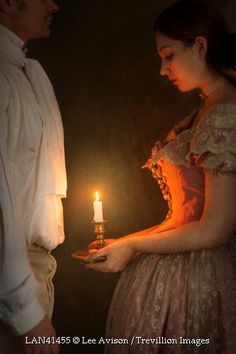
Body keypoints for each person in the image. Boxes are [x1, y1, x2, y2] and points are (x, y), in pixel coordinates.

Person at [86, 0, 236, 353]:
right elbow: (183, 217)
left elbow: (216, 227)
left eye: (168, 55)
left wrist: (134, 244)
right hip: (178, 272)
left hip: (201, 277)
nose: (162, 69)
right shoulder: (207, 111)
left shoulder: (226, 114)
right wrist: (123, 242)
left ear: (200, 46)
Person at [0, 1, 67, 354]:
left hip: (35, 271)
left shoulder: (30, 72)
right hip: (11, 283)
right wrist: (25, 311)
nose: (54, 5)